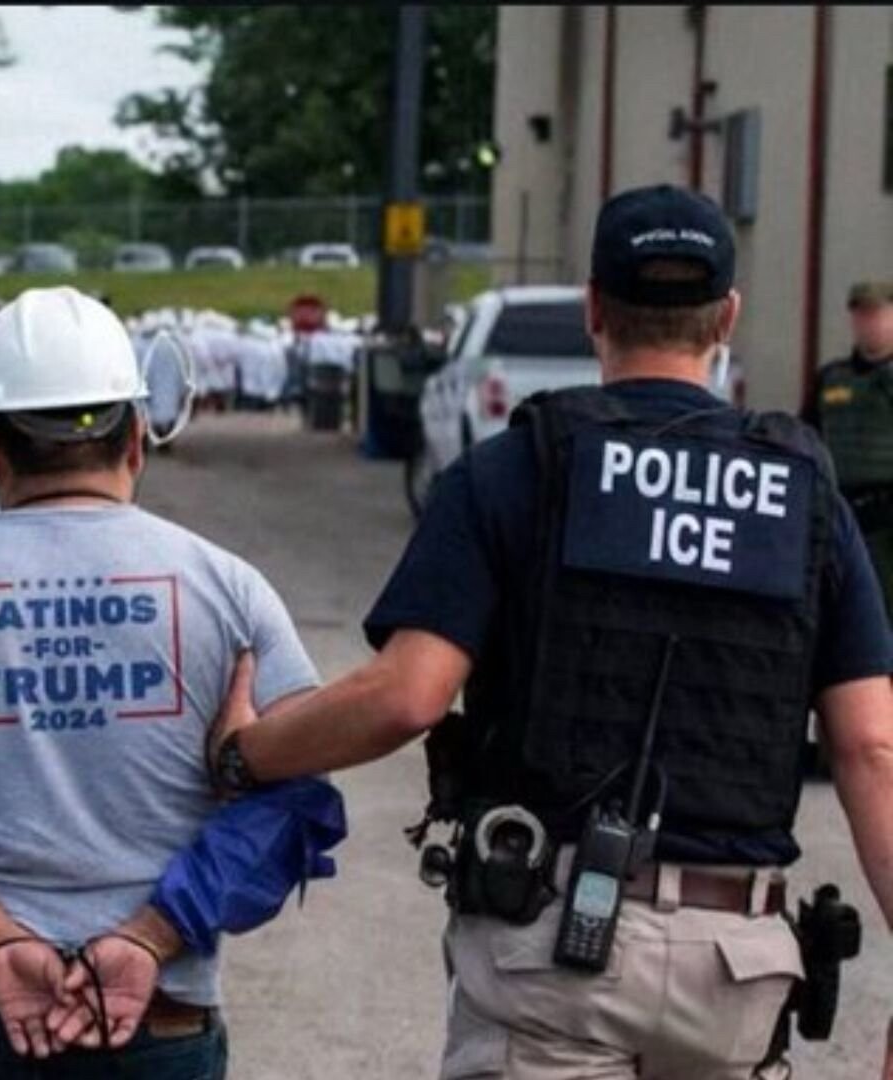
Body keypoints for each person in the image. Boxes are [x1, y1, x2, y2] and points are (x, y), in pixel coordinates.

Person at [223, 185, 893, 1079]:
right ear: (727, 316)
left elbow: (407, 695)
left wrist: (246, 754)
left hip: (555, 953)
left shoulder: (514, 471)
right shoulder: (806, 497)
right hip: (737, 966)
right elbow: (872, 748)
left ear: (592, 309)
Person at [0, 287, 345, 1077]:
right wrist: (152, 935)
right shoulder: (230, 593)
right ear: (136, 437)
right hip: (160, 1009)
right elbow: (297, 798)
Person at [805, 279, 893, 614]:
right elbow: (808, 438)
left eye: (876, 313)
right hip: (844, 512)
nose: (867, 323)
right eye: (860, 314)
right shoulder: (832, 377)